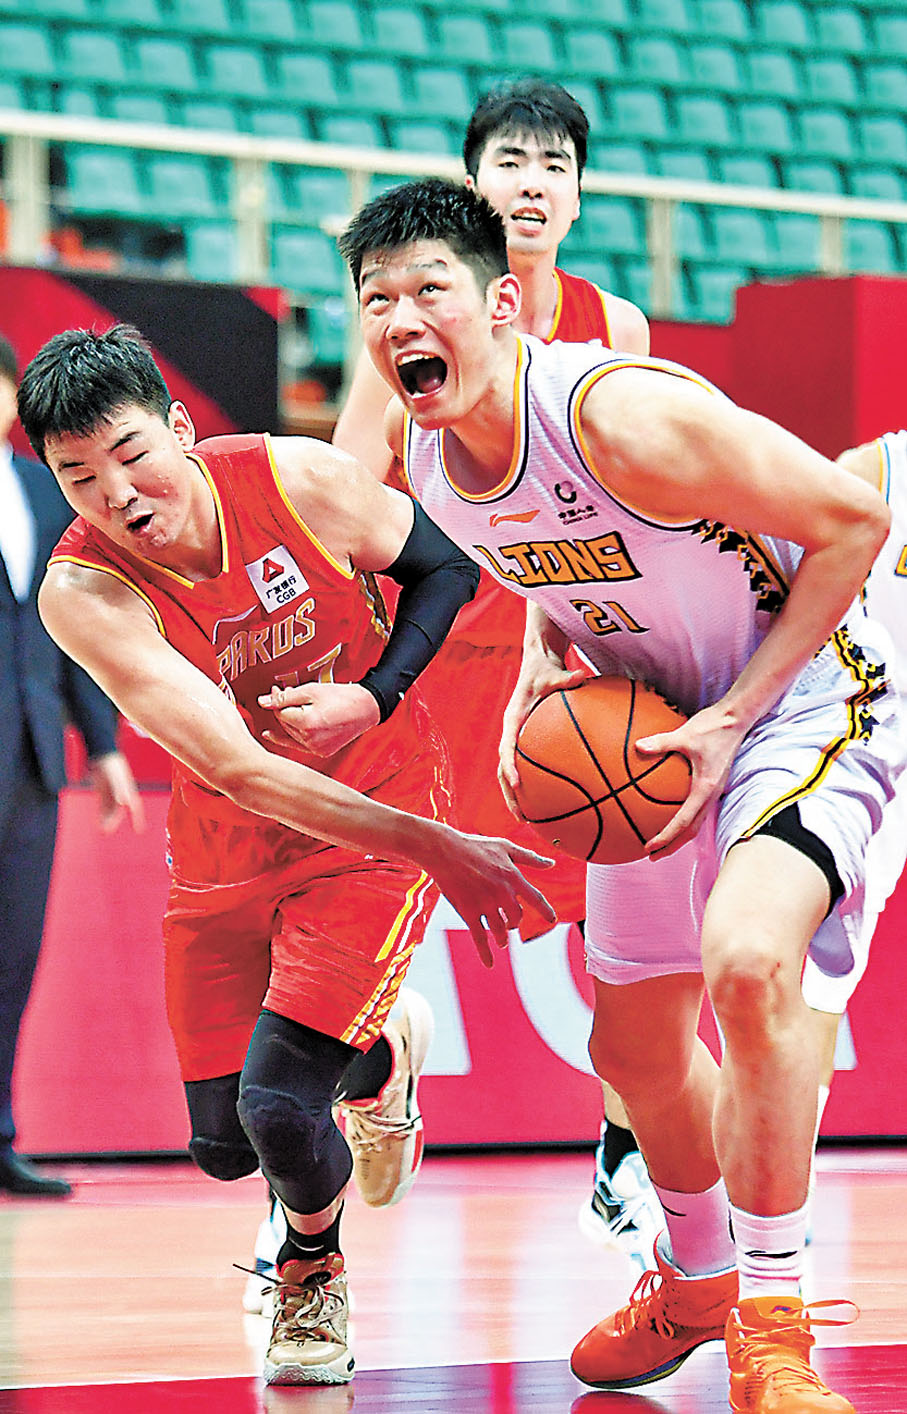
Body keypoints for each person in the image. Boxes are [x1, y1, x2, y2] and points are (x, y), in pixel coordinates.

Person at [338, 178, 903, 1413]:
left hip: (809, 689)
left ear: (502, 303)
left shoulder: (622, 416)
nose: (400, 318)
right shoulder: (435, 465)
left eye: (428, 289)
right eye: (375, 299)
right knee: (632, 1047)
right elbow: (562, 569)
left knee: (746, 961)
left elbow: (857, 523)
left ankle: (772, 1318)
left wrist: (735, 717)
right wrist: (533, 675)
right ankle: (695, 1281)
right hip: (652, 717)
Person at [18, 323, 554, 1386]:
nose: (117, 493)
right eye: (78, 477)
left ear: (179, 428)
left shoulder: (297, 480)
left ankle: (311, 1273)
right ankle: (384, 1056)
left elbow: (444, 569)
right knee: (224, 1144)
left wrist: (375, 697)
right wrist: (445, 848)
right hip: (231, 837)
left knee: (278, 1107)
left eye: (131, 455)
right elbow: (242, 769)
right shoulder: (83, 593)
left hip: (373, 811)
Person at [332, 77, 660, 1271]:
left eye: (553, 164)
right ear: (471, 182)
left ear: (576, 196)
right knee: (349, 919)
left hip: (565, 654)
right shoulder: (406, 318)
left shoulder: (617, 325)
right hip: (432, 656)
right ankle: (339, 1140)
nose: (531, 181)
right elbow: (344, 492)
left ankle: (624, 1159)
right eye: (509, 160)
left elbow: (641, 493)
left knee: (633, 923)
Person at [0, 333, 143, 1198]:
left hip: (30, 764)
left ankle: (0, 1133)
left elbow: (77, 634)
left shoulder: (46, 495)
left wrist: (107, 746)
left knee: (13, 956)